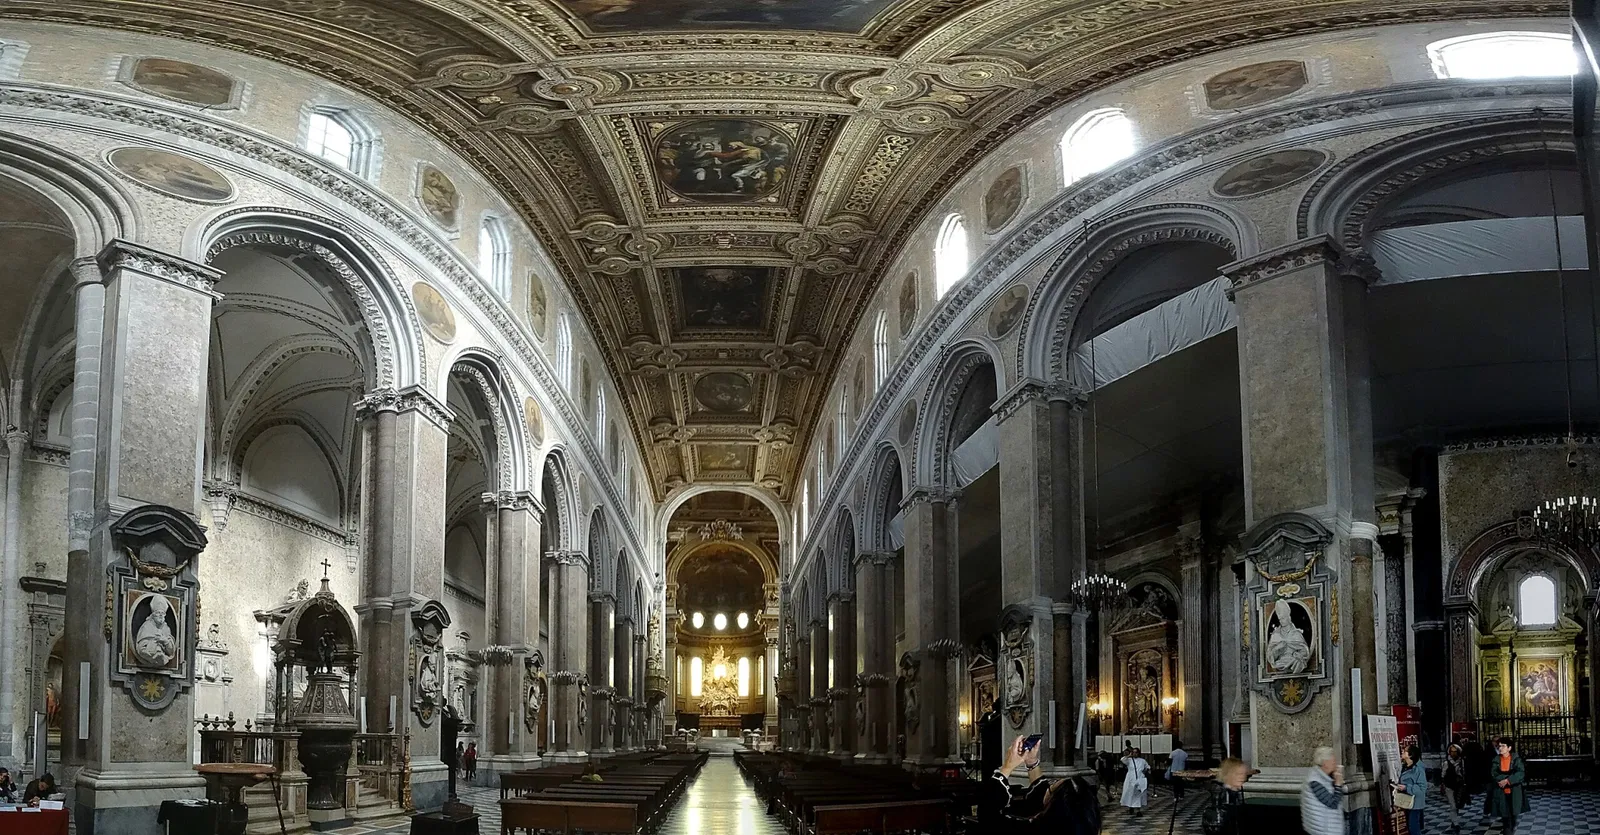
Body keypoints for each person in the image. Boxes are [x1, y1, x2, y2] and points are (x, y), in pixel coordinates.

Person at [1487, 736, 1530, 835]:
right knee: (1504, 815)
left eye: (1503, 746)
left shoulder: (1516, 759)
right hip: (1501, 791)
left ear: (1509, 748)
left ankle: (1510, 830)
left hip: (1514, 790)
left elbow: (1520, 773)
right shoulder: (1496, 759)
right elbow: (1494, 773)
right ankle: (1507, 831)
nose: (1500, 748)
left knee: (1513, 813)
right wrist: (1503, 779)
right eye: (1499, 746)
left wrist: (1508, 780)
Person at [1300, 746, 1343, 835]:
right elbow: (1333, 803)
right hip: (1323, 829)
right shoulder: (1314, 781)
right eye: (1333, 761)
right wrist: (1338, 784)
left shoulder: (1323, 777)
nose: (1335, 764)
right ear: (1325, 763)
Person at [1205, 758, 1250, 835]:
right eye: (1238, 774)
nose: (1242, 777)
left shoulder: (1236, 791)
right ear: (1228, 775)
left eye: (1244, 774)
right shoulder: (1221, 793)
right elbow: (1218, 824)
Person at [1393, 744, 1427, 835]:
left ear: (1410, 755)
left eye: (1405, 751)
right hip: (1406, 800)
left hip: (1415, 802)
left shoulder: (1418, 769)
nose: (1402, 752)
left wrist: (1407, 787)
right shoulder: (1405, 766)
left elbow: (1422, 787)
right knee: (1410, 826)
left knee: (1413, 827)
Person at [1441, 743, 1470, 833]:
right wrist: (1443, 785)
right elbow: (1443, 775)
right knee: (1453, 805)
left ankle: (1454, 821)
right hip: (1449, 786)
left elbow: (1465, 773)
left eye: (1455, 751)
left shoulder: (1462, 762)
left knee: (1457, 804)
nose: (1453, 754)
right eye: (1452, 752)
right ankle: (1456, 823)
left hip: (1459, 786)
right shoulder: (1446, 763)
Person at [1121, 746, 1150, 816]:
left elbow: (1148, 767)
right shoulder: (1129, 760)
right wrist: (1129, 756)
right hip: (1130, 779)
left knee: (1138, 794)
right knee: (1130, 793)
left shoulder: (1142, 761)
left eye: (1136, 752)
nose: (1135, 754)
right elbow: (1122, 759)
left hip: (1139, 778)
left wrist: (1145, 771)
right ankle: (1131, 807)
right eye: (1133, 752)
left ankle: (1138, 810)